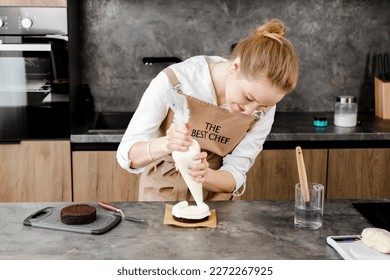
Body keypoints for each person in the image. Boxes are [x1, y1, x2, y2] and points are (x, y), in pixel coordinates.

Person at [117, 19, 299, 201]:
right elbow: (127, 154)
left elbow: (236, 172)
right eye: (248, 98)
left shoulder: (263, 107)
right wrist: (167, 144)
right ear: (235, 67)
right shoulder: (175, 81)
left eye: (262, 106)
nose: (250, 112)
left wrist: (206, 175)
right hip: (160, 195)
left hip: (217, 199)